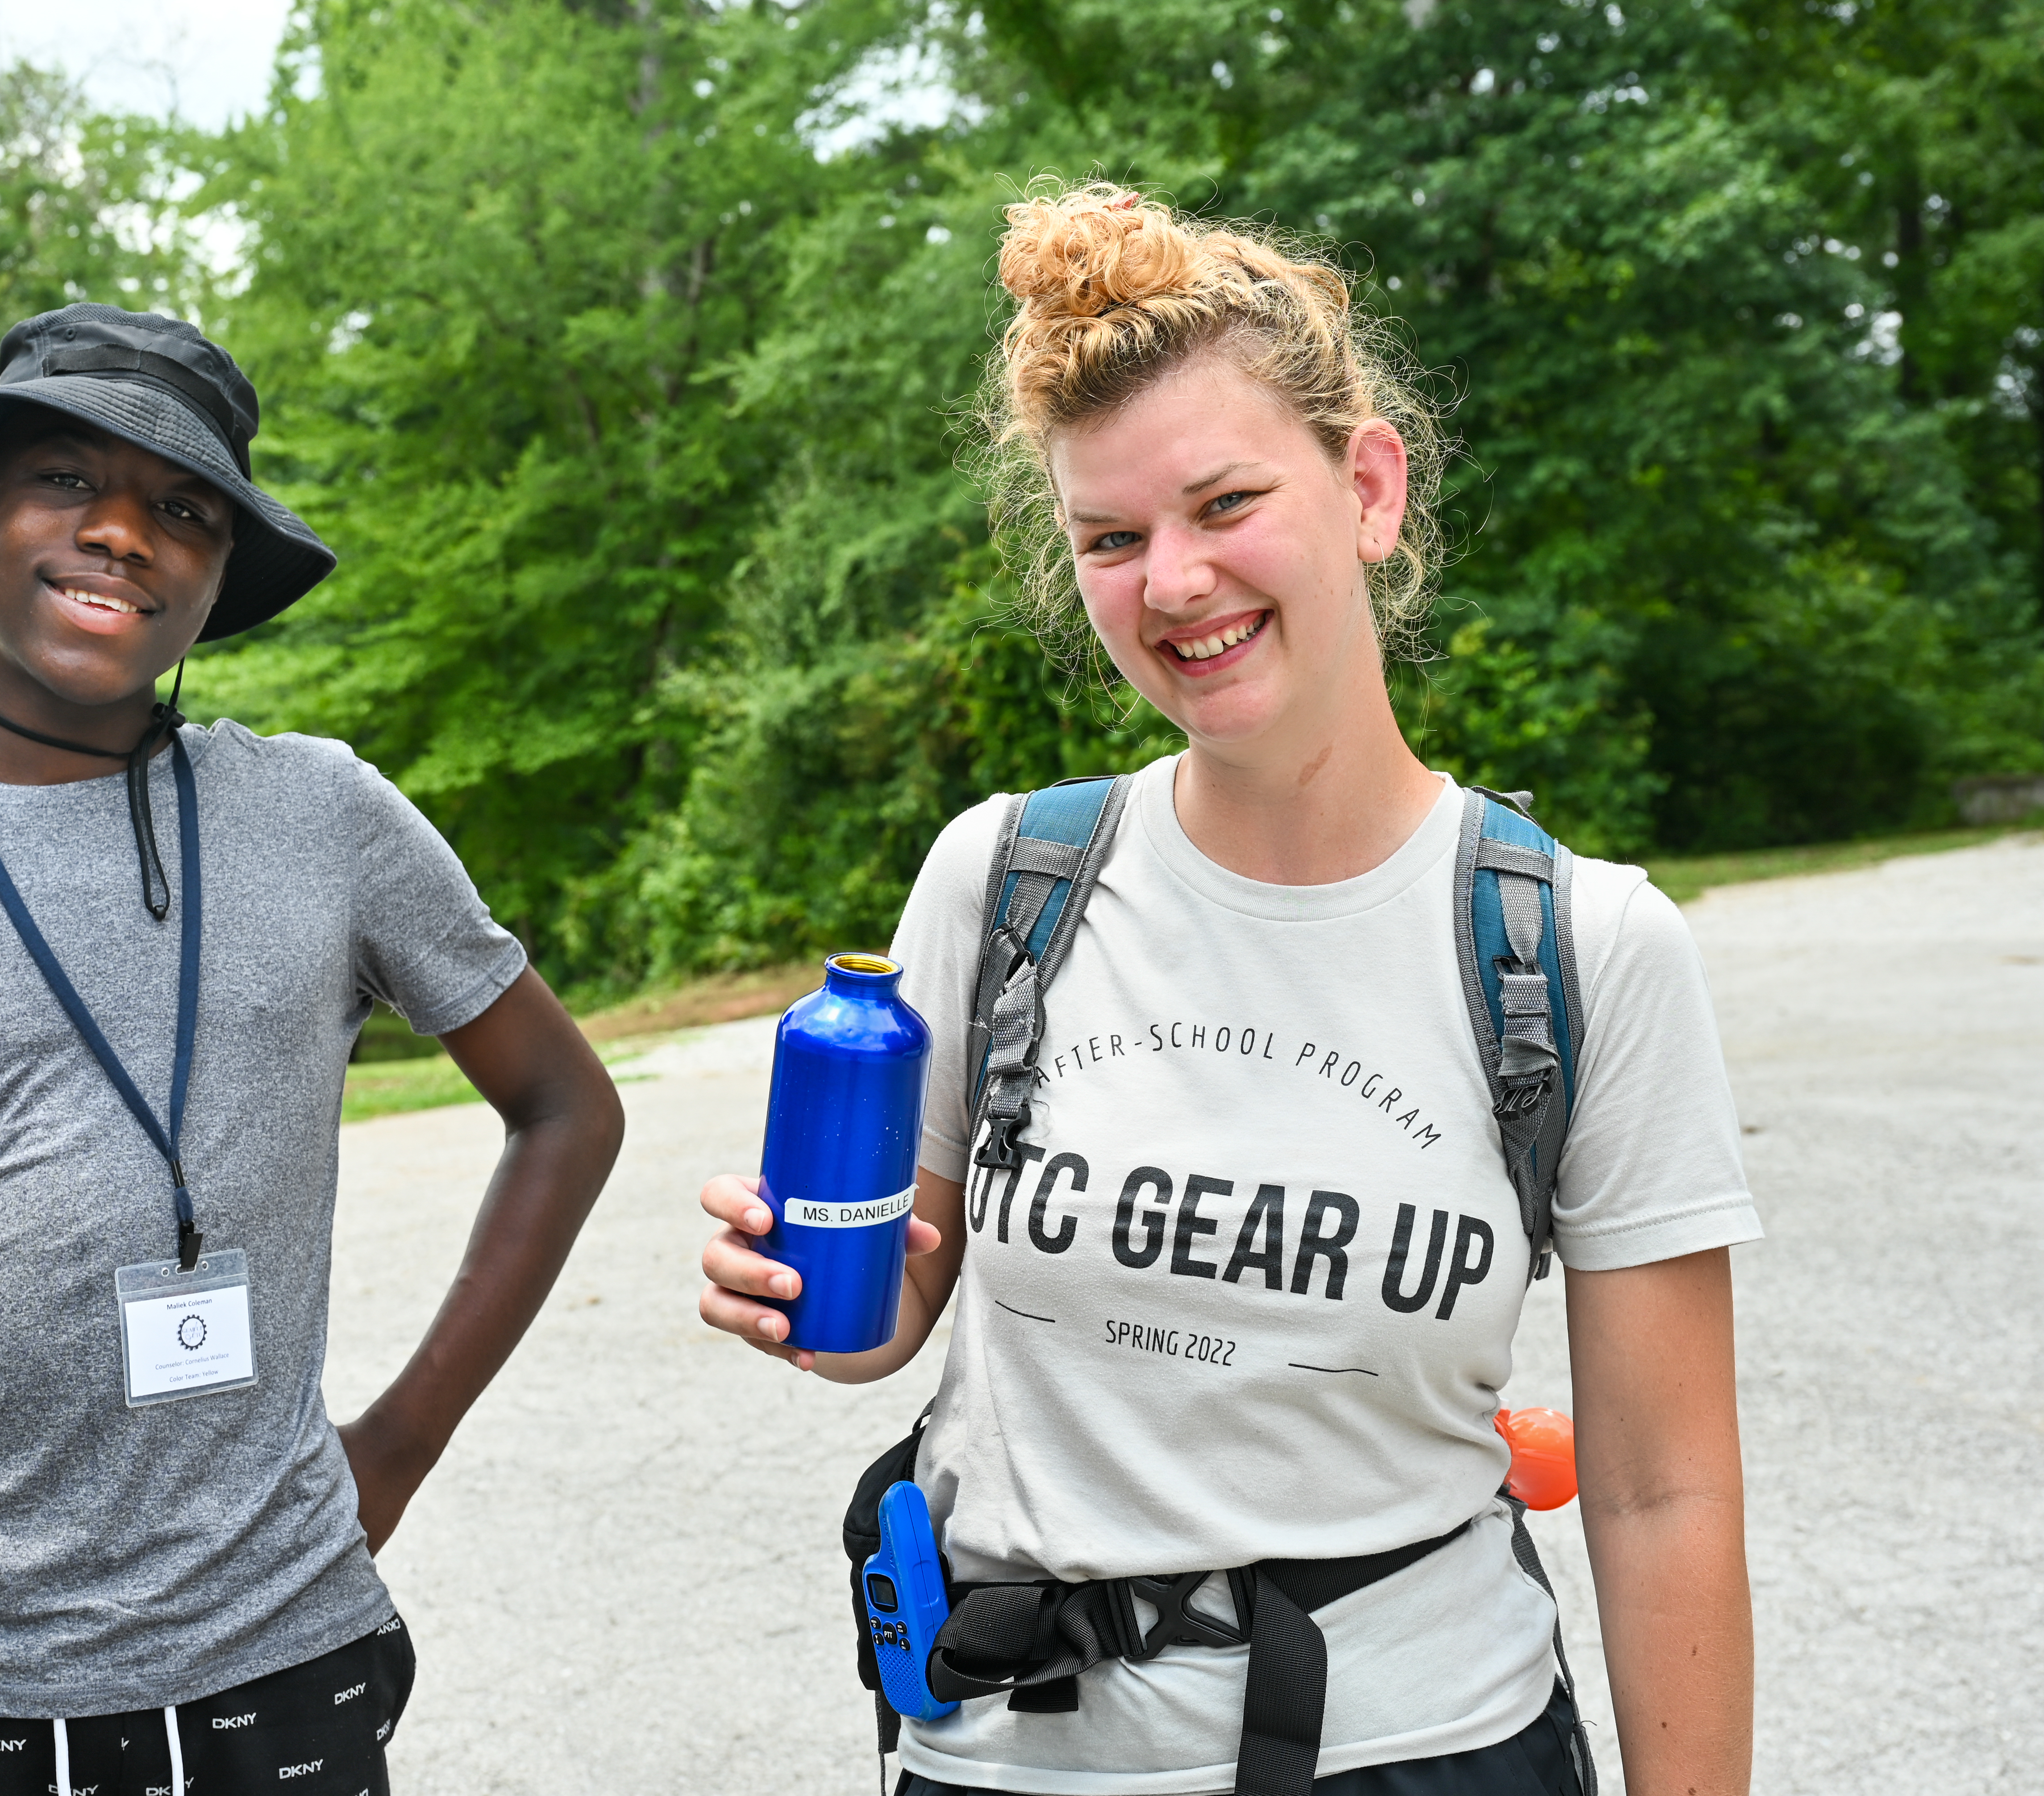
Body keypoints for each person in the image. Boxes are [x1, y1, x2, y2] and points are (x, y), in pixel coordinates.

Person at [695, 190, 1757, 1796]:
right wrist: (812, 1302)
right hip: (1013, 1759)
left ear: (1371, 488)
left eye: (1224, 503)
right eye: (1109, 539)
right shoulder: (1005, 882)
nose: (1173, 582)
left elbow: (1667, 1490)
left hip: (1428, 1751)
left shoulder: (1578, 946)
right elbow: (890, 1322)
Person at [0, 303, 625, 1796]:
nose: (124, 534)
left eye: (184, 508)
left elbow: (565, 1109)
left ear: (218, 570)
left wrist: (395, 1445)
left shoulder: (320, 817)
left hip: (274, 1663)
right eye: (66, 480)